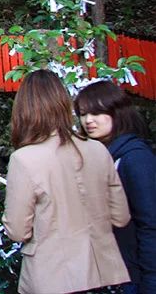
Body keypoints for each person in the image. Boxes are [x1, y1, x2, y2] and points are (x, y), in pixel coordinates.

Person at [3, 69, 131, 294]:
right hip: (104, 273)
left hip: (54, 276)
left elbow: (17, 230)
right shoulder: (97, 149)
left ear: (24, 110)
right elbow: (121, 217)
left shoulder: (24, 159)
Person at [75, 81, 156, 294]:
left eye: (97, 112)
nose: (88, 120)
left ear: (117, 112)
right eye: (83, 114)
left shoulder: (135, 157)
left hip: (134, 275)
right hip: (110, 274)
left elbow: (150, 223)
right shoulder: (100, 155)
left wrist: (150, 280)